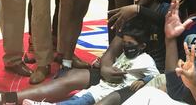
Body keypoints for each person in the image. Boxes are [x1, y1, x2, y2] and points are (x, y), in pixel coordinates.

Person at [0, 0, 171, 105]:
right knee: (72, 76)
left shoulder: (163, 11)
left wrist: (137, 9)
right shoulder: (129, 16)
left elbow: (166, 21)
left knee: (101, 99)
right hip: (121, 72)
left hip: (146, 80)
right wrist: (106, 67)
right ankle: (4, 99)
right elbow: (111, 52)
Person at [25, 18, 159, 105]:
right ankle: (11, 98)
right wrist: (100, 65)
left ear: (142, 46)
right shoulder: (124, 55)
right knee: (77, 99)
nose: (126, 46)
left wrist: (143, 81)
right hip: (100, 87)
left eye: (130, 43)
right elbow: (111, 60)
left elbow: (157, 77)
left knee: (80, 101)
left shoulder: (146, 60)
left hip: (110, 93)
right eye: (124, 42)